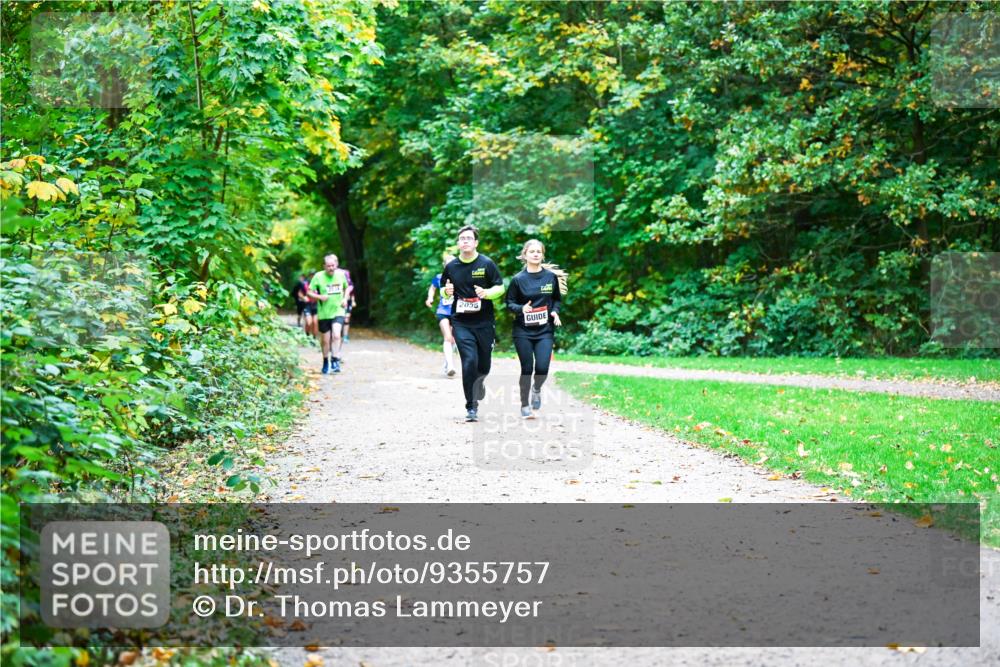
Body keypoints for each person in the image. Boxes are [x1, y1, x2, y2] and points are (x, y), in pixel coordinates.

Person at [441, 225, 504, 422]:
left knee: (483, 365)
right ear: (458, 243)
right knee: (469, 361)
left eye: (469, 238)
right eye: (462, 238)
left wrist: (487, 293)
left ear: (476, 242)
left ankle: (481, 381)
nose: (465, 241)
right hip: (461, 322)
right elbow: (444, 288)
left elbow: (500, 287)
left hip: (484, 322)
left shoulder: (486, 263)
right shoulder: (451, 267)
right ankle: (471, 406)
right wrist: (446, 292)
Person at [505, 239, 566, 419]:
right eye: (532, 251)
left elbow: (556, 300)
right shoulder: (518, 279)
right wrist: (521, 308)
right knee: (527, 368)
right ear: (525, 255)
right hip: (522, 330)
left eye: (538, 251)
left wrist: (555, 312)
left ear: (542, 254)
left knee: (542, 367)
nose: (535, 254)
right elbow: (509, 303)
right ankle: (525, 405)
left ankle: (536, 388)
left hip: (544, 330)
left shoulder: (550, 277)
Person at [307, 254, 350, 374]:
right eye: (328, 266)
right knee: (325, 341)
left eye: (333, 265)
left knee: (336, 335)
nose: (331, 268)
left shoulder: (341, 275)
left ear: (336, 265)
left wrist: (345, 299)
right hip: (324, 313)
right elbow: (309, 292)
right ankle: (326, 361)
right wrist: (319, 296)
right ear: (324, 266)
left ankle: (335, 360)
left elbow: (347, 288)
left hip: (338, 310)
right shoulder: (318, 276)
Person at [426, 253, 457, 377]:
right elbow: (432, 288)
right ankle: (450, 366)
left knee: (454, 339)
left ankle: (447, 361)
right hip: (443, 311)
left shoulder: (461, 278)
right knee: (448, 337)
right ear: (444, 266)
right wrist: (430, 298)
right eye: (447, 264)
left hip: (457, 312)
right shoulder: (439, 277)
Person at [342, 268, 355, 344]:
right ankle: (339, 334)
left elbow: (352, 293)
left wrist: (353, 301)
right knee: (341, 319)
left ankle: (345, 336)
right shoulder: (339, 281)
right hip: (341, 302)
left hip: (348, 302)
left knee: (346, 319)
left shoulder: (350, 283)